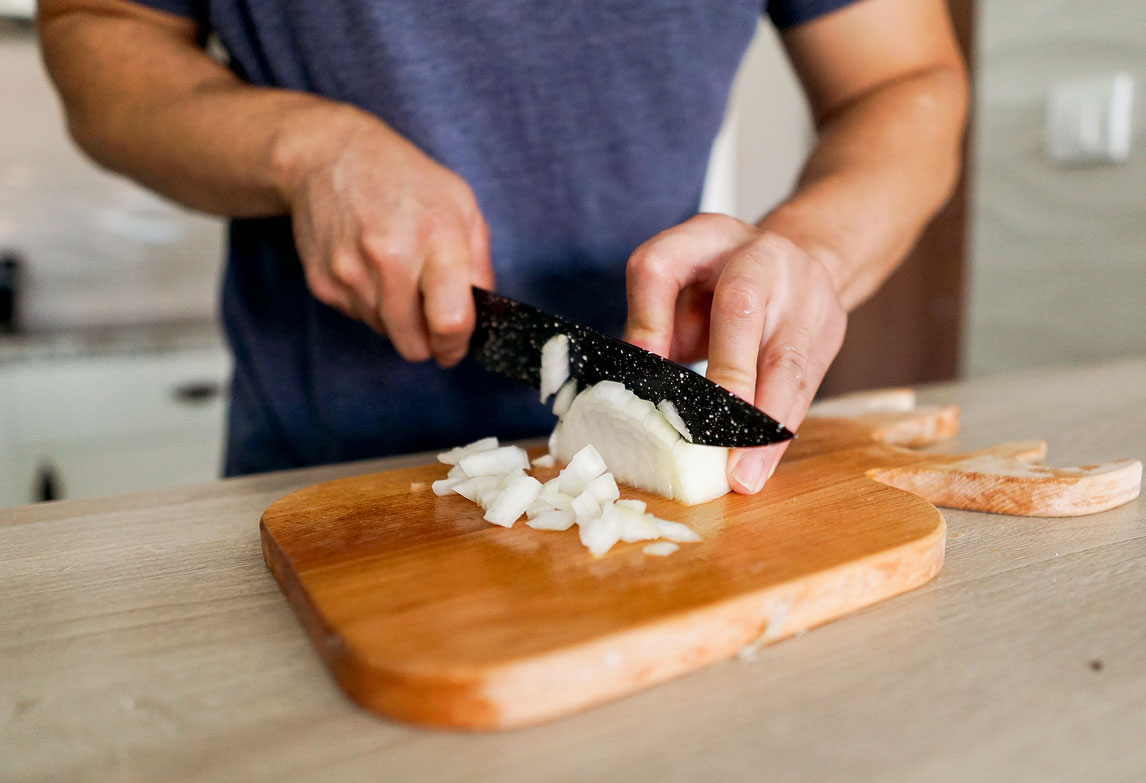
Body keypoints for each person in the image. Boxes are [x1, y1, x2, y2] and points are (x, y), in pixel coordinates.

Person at [38, 0, 967, 494]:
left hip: (626, 479)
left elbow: (904, 79)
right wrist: (305, 149)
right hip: (311, 473)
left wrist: (812, 250)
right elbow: (98, 26)